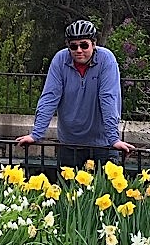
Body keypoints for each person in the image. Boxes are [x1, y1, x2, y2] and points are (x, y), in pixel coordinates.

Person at [16, 19, 134, 165]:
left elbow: (108, 98)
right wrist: (36, 134)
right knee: (67, 187)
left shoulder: (106, 60)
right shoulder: (60, 60)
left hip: (103, 143)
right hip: (69, 143)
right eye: (73, 46)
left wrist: (113, 139)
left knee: (104, 187)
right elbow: (50, 97)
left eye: (84, 45)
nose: (79, 50)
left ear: (94, 44)